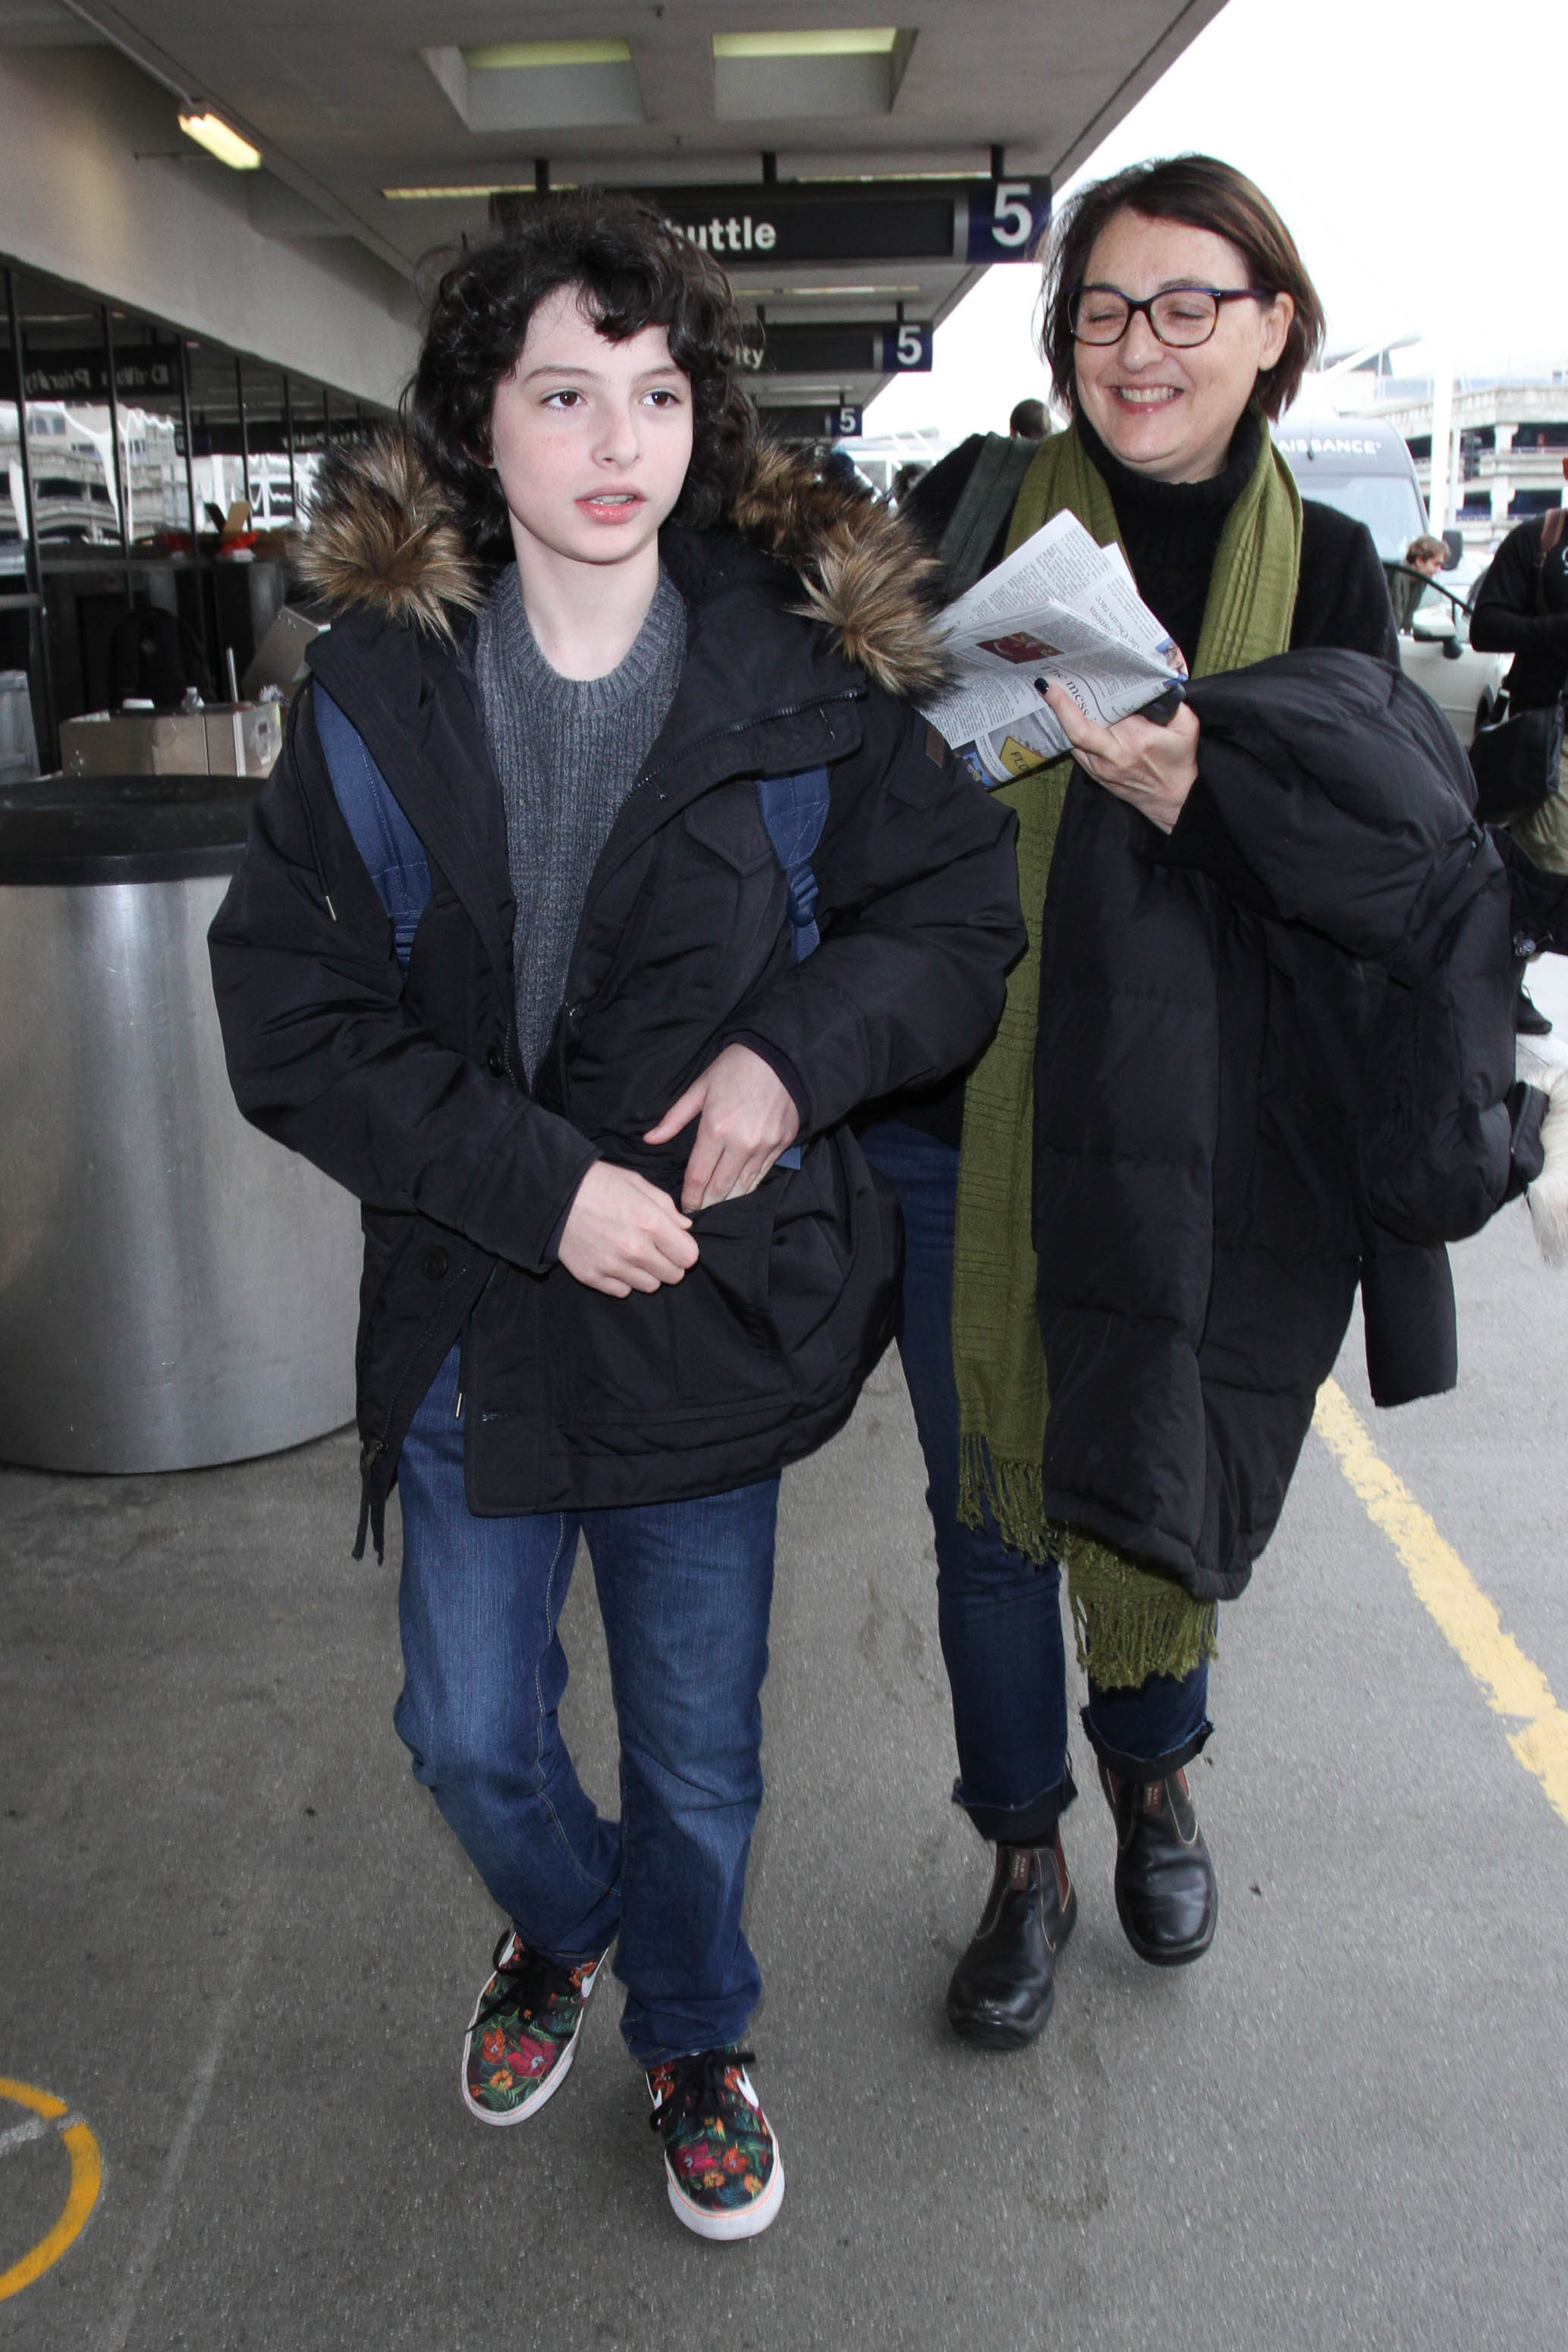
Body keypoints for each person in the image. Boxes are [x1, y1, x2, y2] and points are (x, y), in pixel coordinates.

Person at [209, 195, 1023, 2236]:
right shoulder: (377, 700)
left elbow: (954, 912)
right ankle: (558, 1926)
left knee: (697, 1748)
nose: (614, 440)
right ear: (478, 423)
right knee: (466, 1732)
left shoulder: (806, 676)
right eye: (561, 390)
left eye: (654, 393)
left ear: (697, 416)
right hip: (486, 1294)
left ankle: (695, 2029)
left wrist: (791, 1060)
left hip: (699, 1312)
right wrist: (534, 1181)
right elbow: (287, 1015)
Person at [872, 153, 1529, 2049]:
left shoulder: (1327, 567)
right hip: (971, 1104)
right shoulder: (971, 512)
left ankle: (1156, 1778)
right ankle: (1023, 1848)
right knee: (987, 1492)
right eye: (1099, 307)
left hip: (1215, 1114)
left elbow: (1399, 875)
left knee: (1163, 1447)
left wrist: (1196, 800)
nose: (1133, 345)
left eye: (1182, 304)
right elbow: (864, 787)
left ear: (1273, 327)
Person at [1468, 489, 1568, 1033]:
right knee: (1544, 865)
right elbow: (1485, 626)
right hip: (1548, 731)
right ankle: (1504, 980)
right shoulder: (1541, 540)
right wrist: (1556, 629)